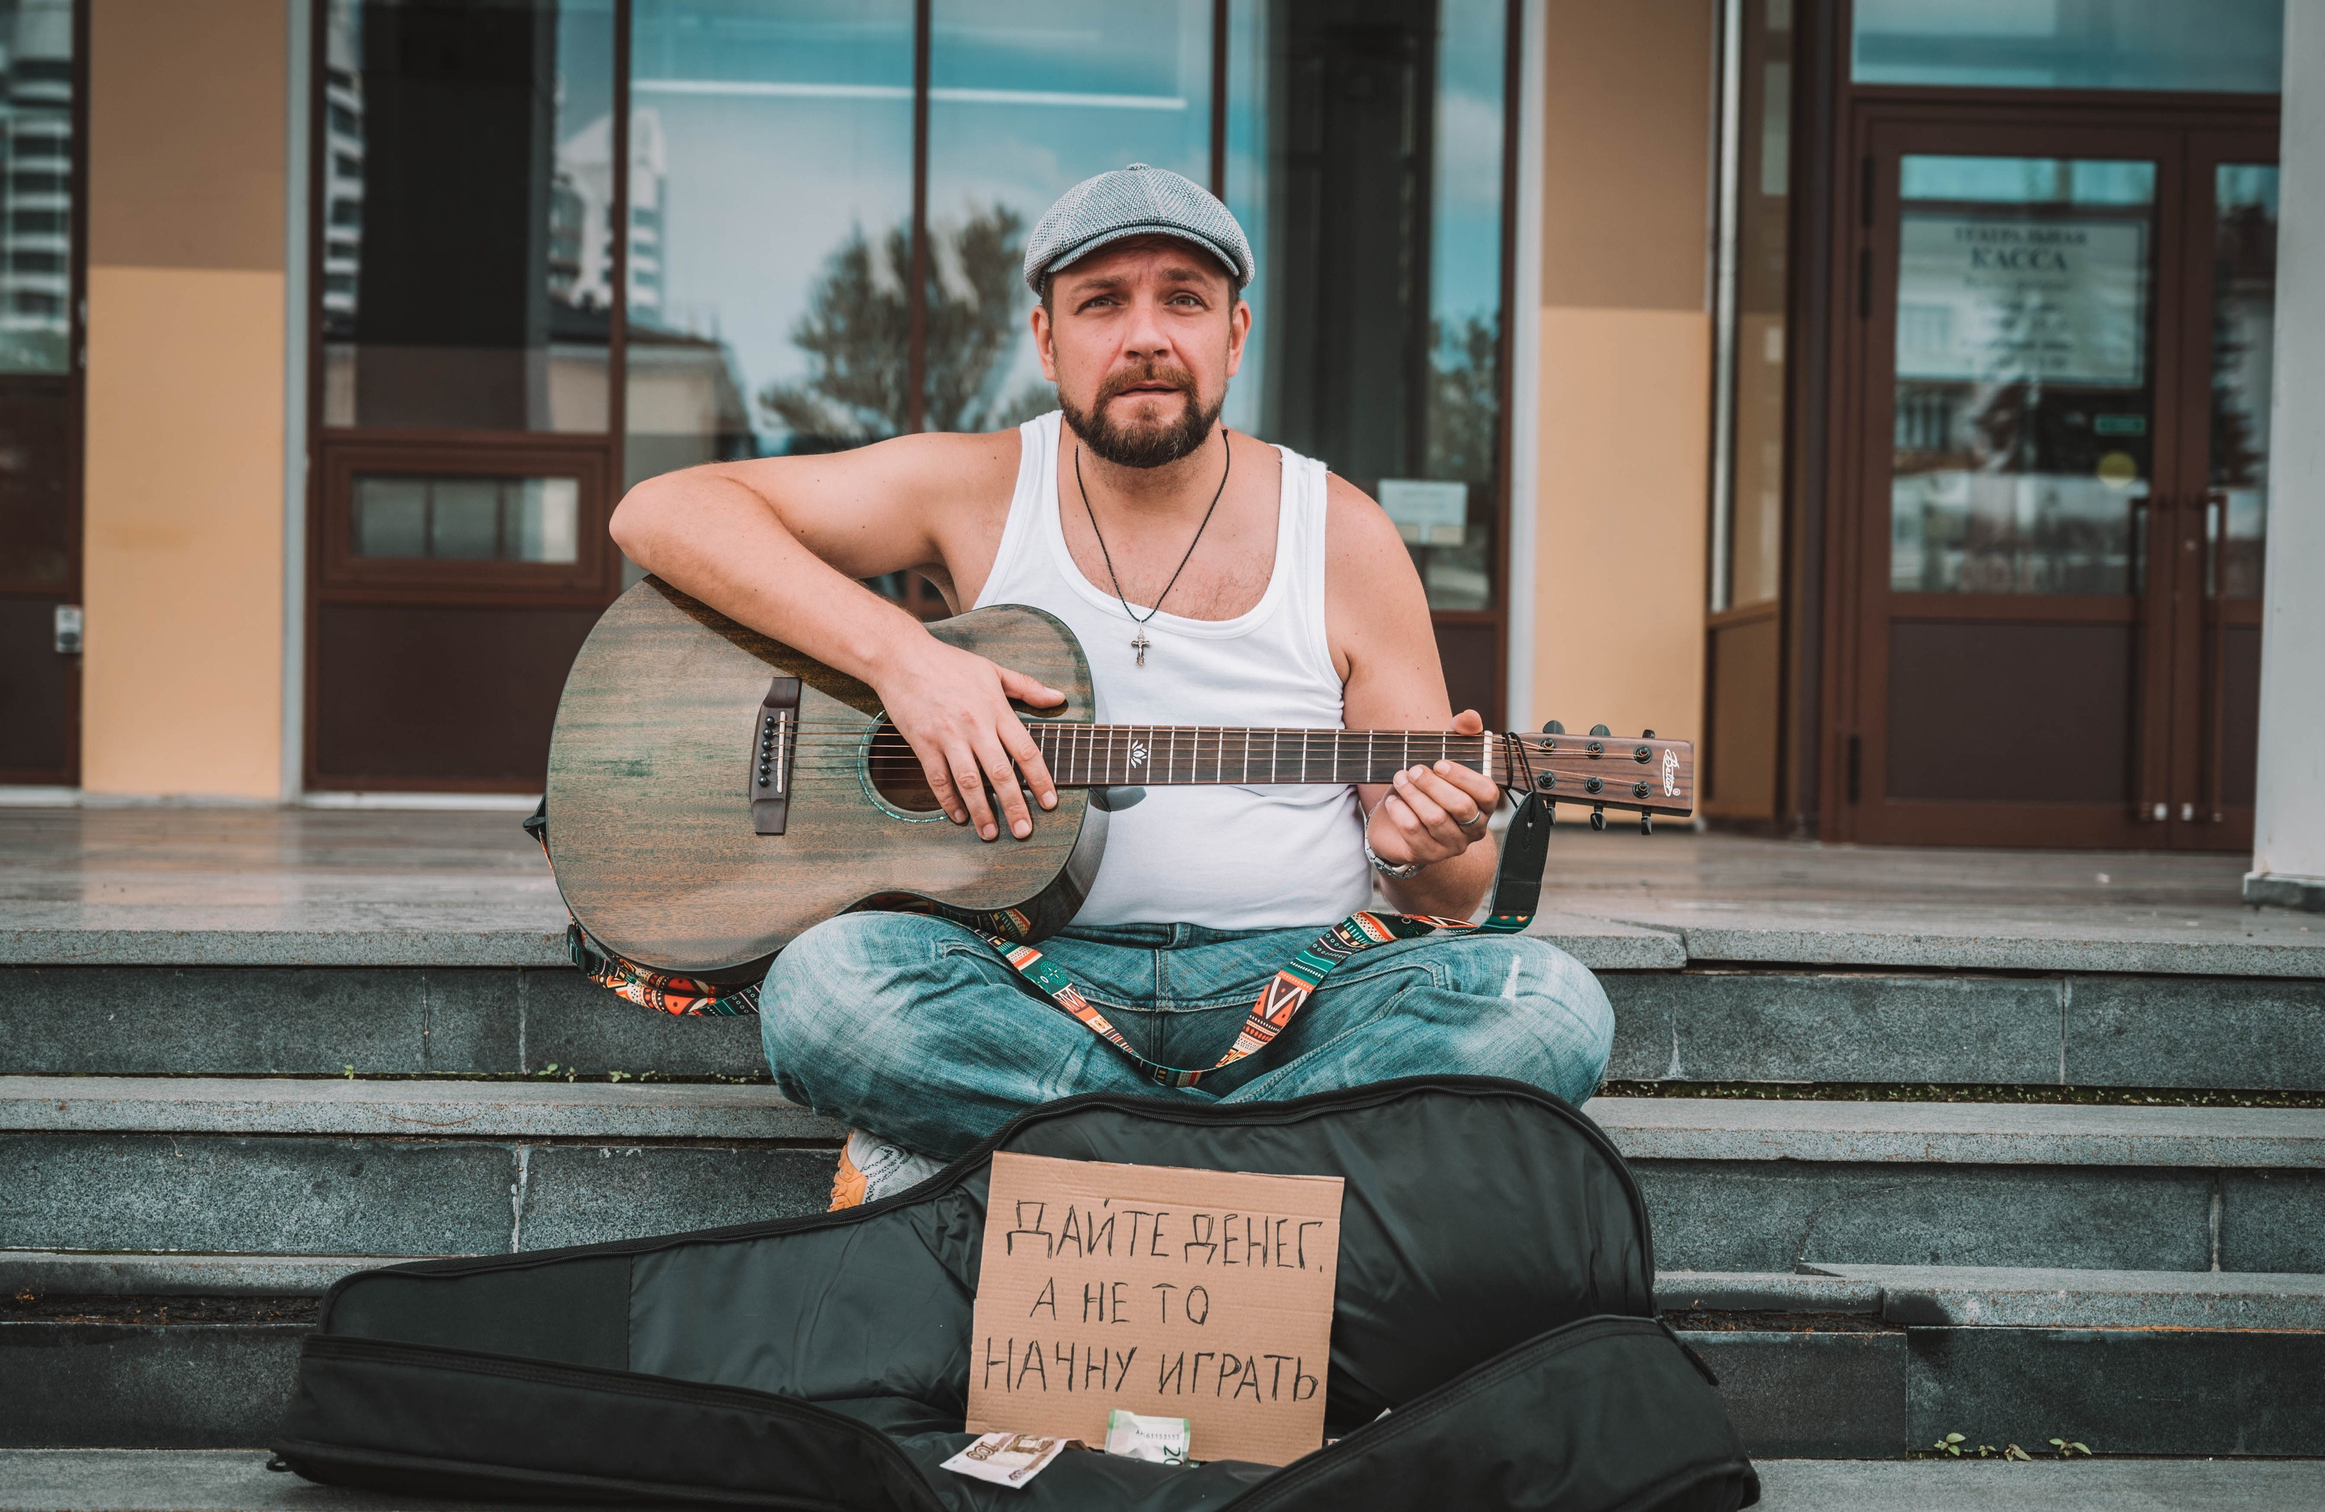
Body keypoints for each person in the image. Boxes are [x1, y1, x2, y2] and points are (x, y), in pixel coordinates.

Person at [610, 164, 1613, 1207]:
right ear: (1046, 340)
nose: (1146, 337)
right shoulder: (975, 488)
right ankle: (1252, 1173)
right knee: (828, 991)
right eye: (1101, 302)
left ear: (1235, 334)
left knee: (1546, 1007)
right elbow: (662, 512)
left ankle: (1084, 1155)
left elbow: (1451, 899)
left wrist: (1420, 851)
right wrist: (904, 660)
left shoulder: (1344, 533)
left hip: (1296, 991)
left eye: (1184, 299)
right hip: (1023, 974)